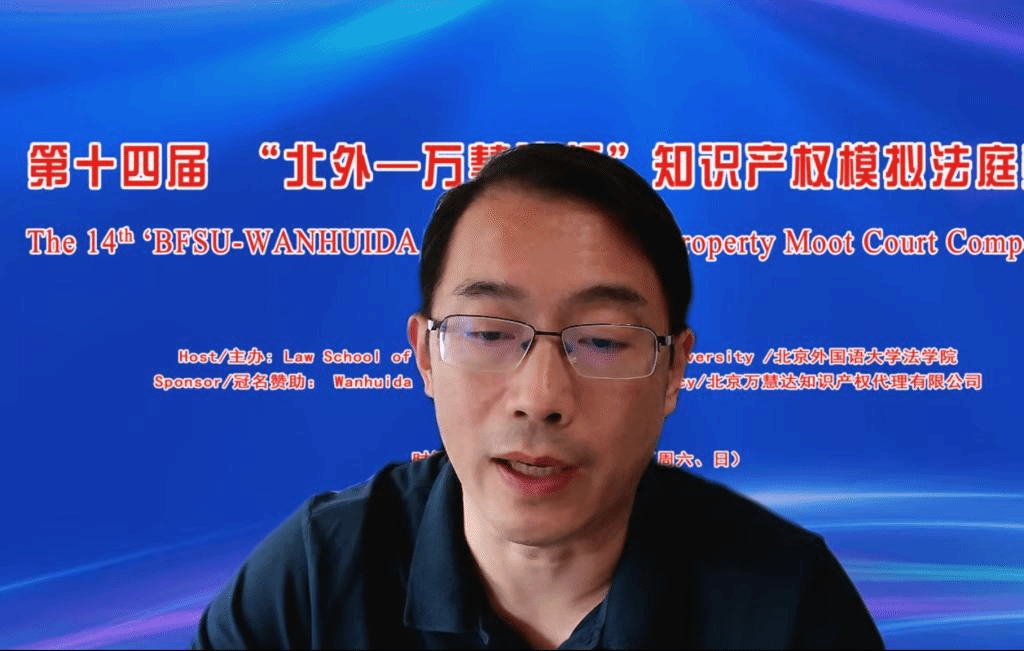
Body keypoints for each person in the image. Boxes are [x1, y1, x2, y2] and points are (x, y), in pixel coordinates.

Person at [191, 143, 884, 650]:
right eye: (490, 332)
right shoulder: (315, 583)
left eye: (603, 340)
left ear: (674, 370)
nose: (541, 396)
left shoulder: (788, 607)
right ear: (425, 354)